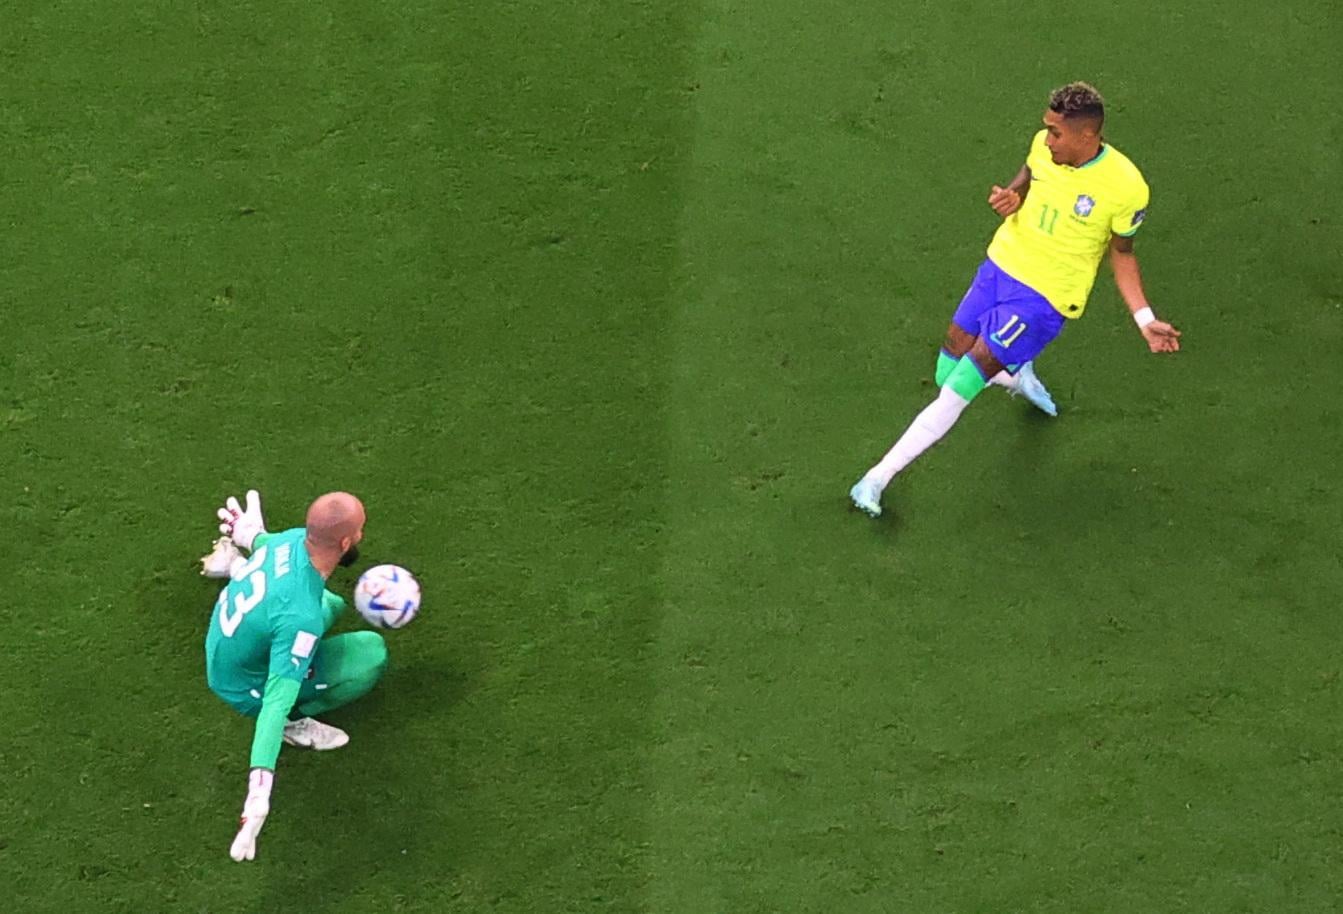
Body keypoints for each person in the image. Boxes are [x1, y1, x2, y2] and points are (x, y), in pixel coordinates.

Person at [849, 81, 1182, 518]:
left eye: (1056, 133)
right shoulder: (1044, 147)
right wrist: (1012, 195)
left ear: (1087, 135)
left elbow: (1121, 253)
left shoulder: (1126, 187)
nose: (1047, 139)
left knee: (959, 387)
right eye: (1047, 128)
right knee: (946, 367)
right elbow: (1029, 176)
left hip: (1044, 299)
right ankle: (1016, 372)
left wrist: (1144, 318)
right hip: (1001, 266)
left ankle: (876, 478)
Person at [199, 489, 388, 862]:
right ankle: (296, 726)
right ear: (345, 542)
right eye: (359, 530)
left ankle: (234, 566)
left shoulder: (290, 540)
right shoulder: (300, 619)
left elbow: (262, 542)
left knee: (330, 603)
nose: (361, 536)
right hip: (245, 686)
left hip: (226, 648)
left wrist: (248, 533)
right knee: (371, 655)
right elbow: (274, 703)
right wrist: (258, 791)